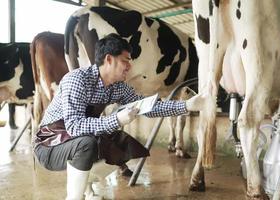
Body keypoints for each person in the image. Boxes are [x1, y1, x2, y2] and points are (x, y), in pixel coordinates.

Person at [33, 33, 205, 200]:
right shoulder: (77, 80)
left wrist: (187, 105)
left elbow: (148, 107)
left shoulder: (118, 87)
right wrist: (116, 120)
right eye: (125, 61)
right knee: (87, 143)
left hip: (73, 141)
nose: (129, 67)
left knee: (121, 145)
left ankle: (88, 191)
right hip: (50, 144)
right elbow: (74, 126)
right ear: (108, 59)